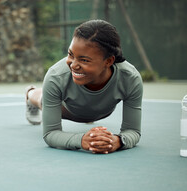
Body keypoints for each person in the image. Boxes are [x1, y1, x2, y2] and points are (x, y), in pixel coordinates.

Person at [25, 19, 143, 154]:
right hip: (67, 109)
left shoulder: (130, 78)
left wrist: (117, 141)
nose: (73, 65)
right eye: (70, 54)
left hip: (101, 113)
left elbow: (133, 131)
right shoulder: (55, 77)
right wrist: (82, 140)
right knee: (42, 99)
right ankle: (30, 93)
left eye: (84, 60)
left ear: (109, 61)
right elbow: (50, 134)